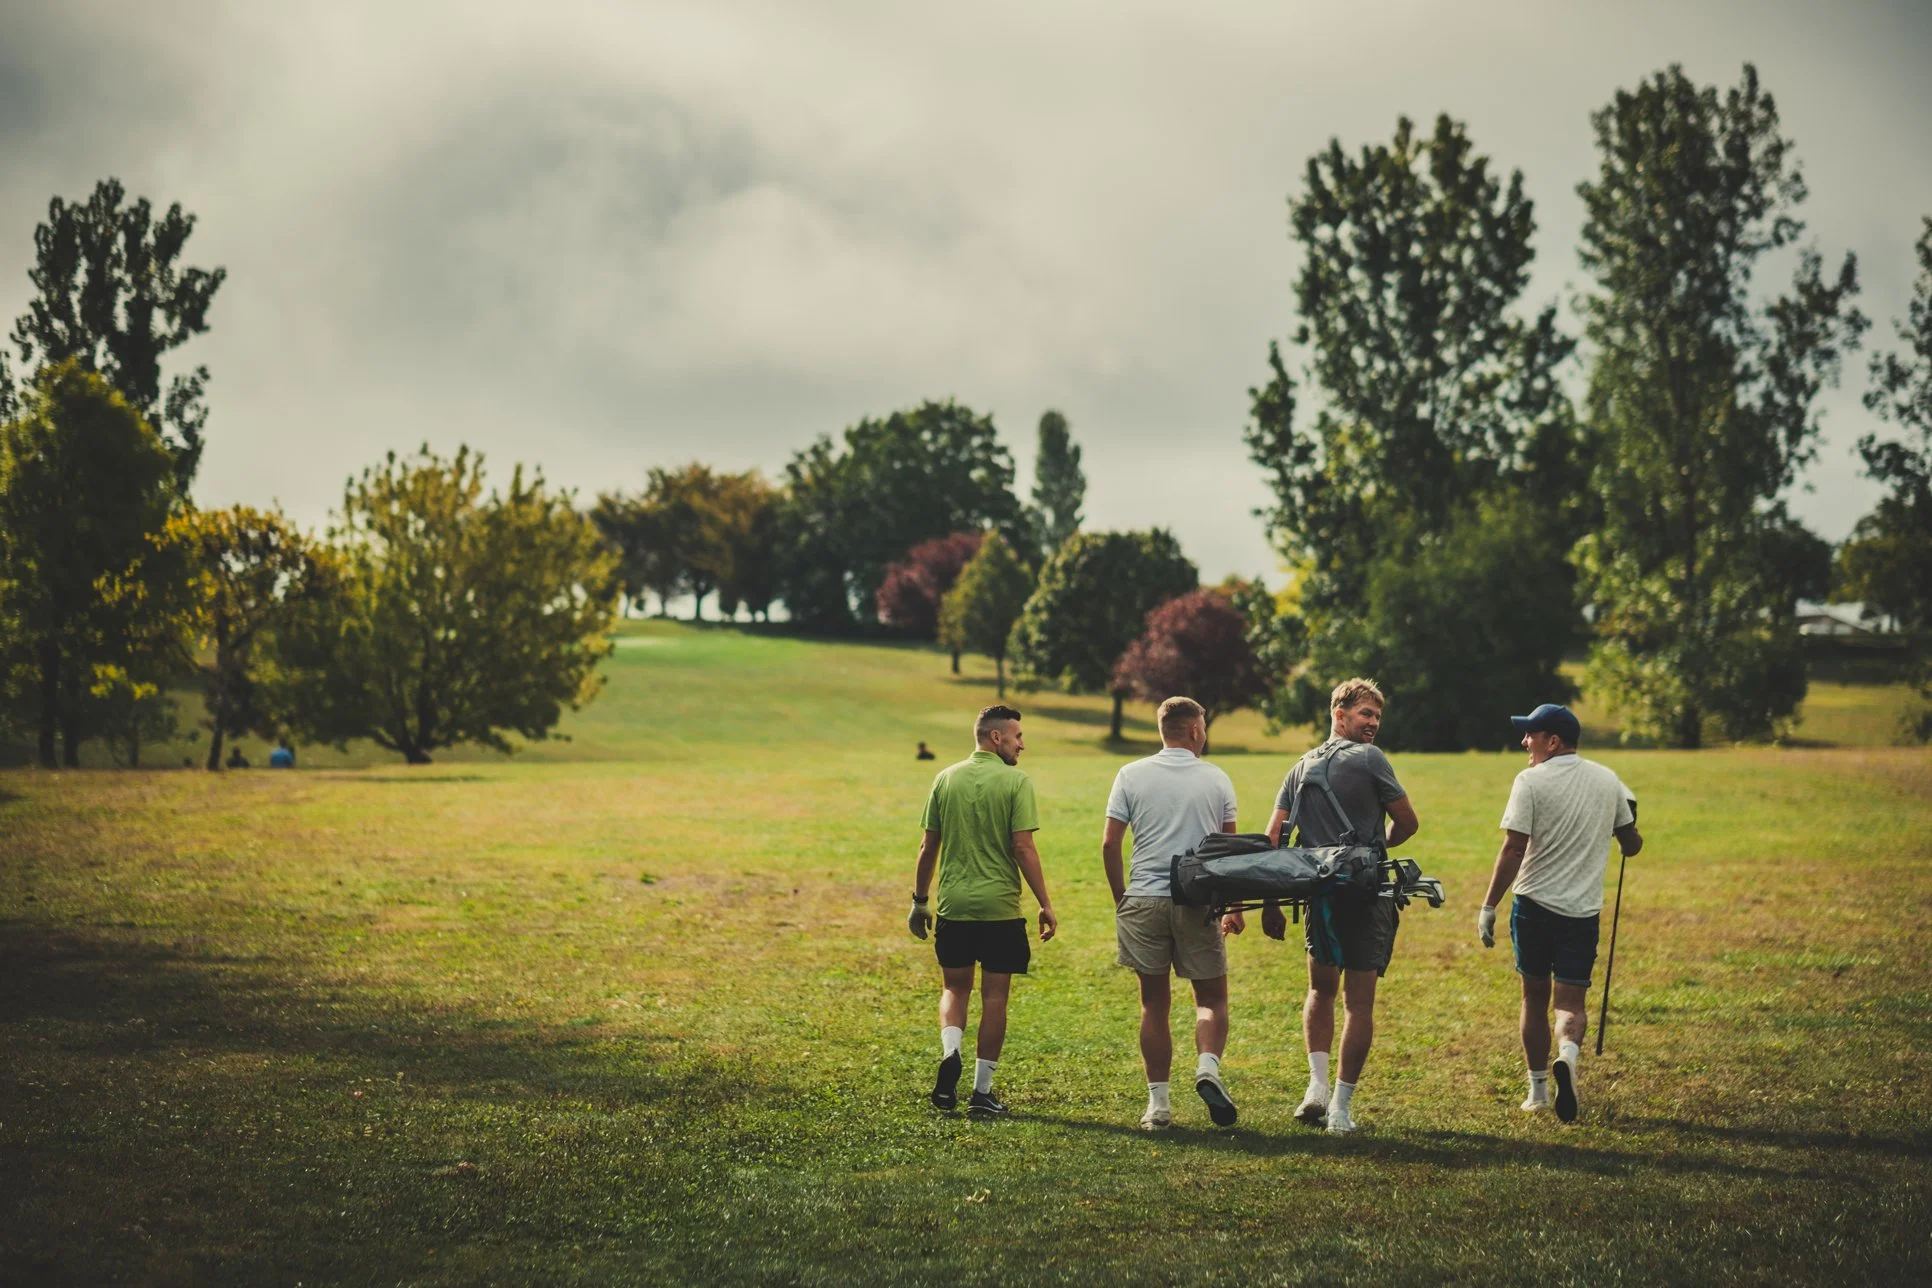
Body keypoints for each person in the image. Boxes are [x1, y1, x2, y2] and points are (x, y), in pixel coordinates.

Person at [1262, 677, 1419, 1134]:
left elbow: (1273, 838)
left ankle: (1315, 1086)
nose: (1372, 724)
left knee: (1320, 991)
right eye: (1365, 714)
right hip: (1365, 893)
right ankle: (1340, 1111)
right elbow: (1408, 821)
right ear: (1339, 714)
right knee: (1359, 1004)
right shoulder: (1370, 759)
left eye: (1376, 717)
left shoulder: (1300, 766)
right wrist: (1379, 847)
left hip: (1318, 893)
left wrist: (1273, 904)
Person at [1478, 703, 1641, 1123]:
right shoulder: (1609, 780)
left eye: (1531, 734)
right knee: (1570, 1003)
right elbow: (1631, 844)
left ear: (1553, 741)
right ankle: (1567, 1054)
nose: (1524, 742)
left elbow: (1514, 848)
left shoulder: (1530, 780)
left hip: (1533, 906)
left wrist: (1489, 905)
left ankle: (1537, 1091)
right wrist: (1630, 814)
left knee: (1534, 997)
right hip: (1582, 912)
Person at [908, 705, 1059, 1117]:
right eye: (1017, 737)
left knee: (954, 988)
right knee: (995, 998)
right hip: (1000, 910)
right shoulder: (1015, 782)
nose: (1022, 745)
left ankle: (951, 1051)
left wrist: (920, 902)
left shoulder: (945, 778)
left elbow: (927, 848)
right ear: (996, 738)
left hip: (954, 907)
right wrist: (1045, 903)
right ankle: (981, 1092)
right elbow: (1023, 848)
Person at [1103, 696, 1244, 1130]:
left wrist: (1122, 898)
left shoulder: (1130, 774)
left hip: (1143, 900)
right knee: (1212, 999)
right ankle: (1207, 1067)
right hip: (1196, 900)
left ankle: (1158, 1107)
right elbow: (1229, 854)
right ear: (1196, 731)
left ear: (1163, 731)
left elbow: (1110, 844)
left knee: (1153, 1005)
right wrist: (1234, 907)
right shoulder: (1217, 778)